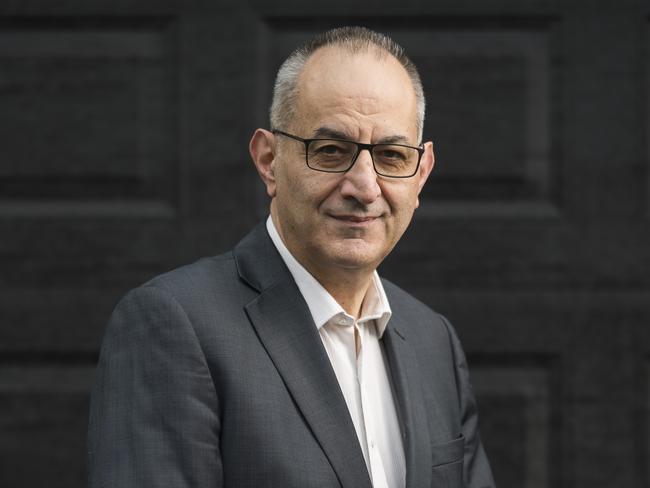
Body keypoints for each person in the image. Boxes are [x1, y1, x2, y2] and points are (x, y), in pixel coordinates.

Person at [87, 26, 495, 488]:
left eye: (392, 155)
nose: (364, 187)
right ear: (268, 159)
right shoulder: (173, 325)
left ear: (421, 173)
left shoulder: (432, 340)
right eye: (330, 151)